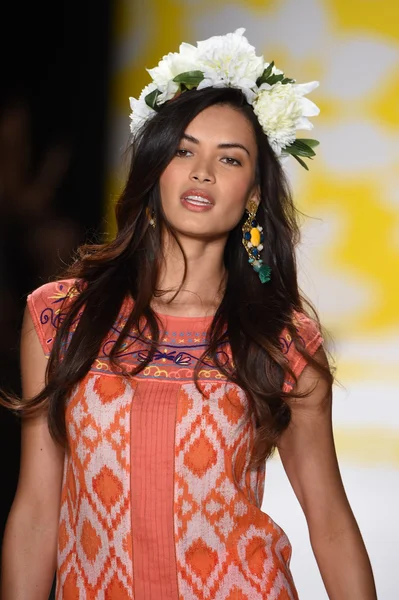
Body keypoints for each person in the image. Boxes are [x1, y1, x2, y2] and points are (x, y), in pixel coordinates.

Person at [1, 29, 377, 600]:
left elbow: (328, 520)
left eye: (230, 159)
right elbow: (35, 510)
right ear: (157, 172)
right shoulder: (61, 317)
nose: (203, 171)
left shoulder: (281, 340)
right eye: (184, 150)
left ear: (252, 193)